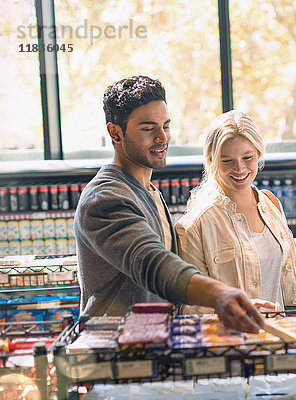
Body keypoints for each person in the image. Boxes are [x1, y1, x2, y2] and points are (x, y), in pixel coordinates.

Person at [74, 76, 264, 333]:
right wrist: (219, 294)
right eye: (148, 128)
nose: (162, 137)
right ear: (115, 132)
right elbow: (153, 264)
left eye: (165, 125)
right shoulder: (105, 198)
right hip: (112, 355)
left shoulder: (149, 191)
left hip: (148, 346)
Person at [175, 110, 296, 312]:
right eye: (227, 160)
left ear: (259, 154)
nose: (239, 168)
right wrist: (233, 310)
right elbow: (190, 307)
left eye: (247, 157)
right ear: (211, 161)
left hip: (283, 333)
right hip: (234, 340)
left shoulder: (271, 203)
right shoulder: (195, 226)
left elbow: (282, 270)